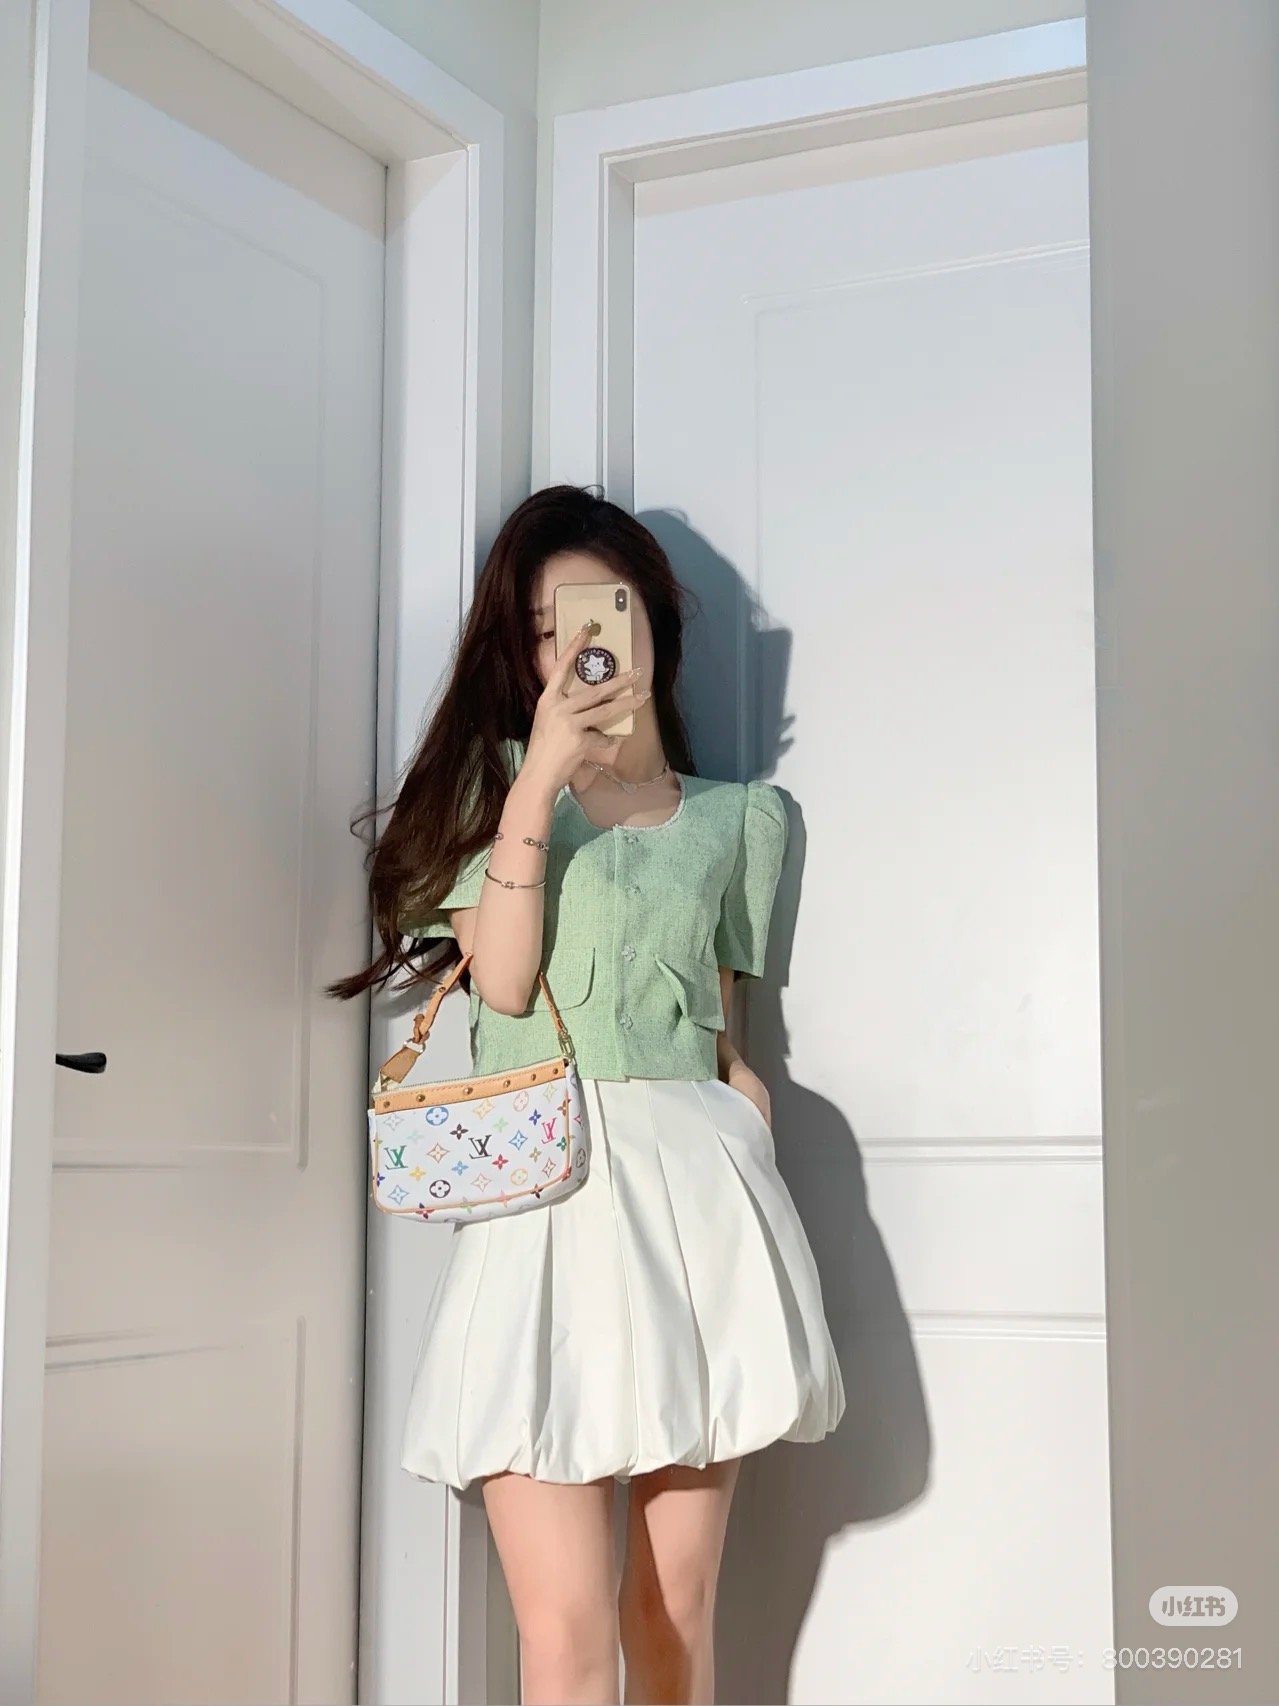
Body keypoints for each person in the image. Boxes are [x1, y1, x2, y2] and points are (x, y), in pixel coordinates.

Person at [333, 485, 844, 1705]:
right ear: (519, 652)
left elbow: (724, 1025)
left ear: (651, 619)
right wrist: (540, 784)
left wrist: (745, 1117)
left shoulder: (742, 821)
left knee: (672, 1615)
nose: (577, 650)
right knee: (562, 1634)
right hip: (546, 1207)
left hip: (697, 1206)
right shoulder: (485, 793)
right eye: (544, 630)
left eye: (598, 618)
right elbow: (504, 986)